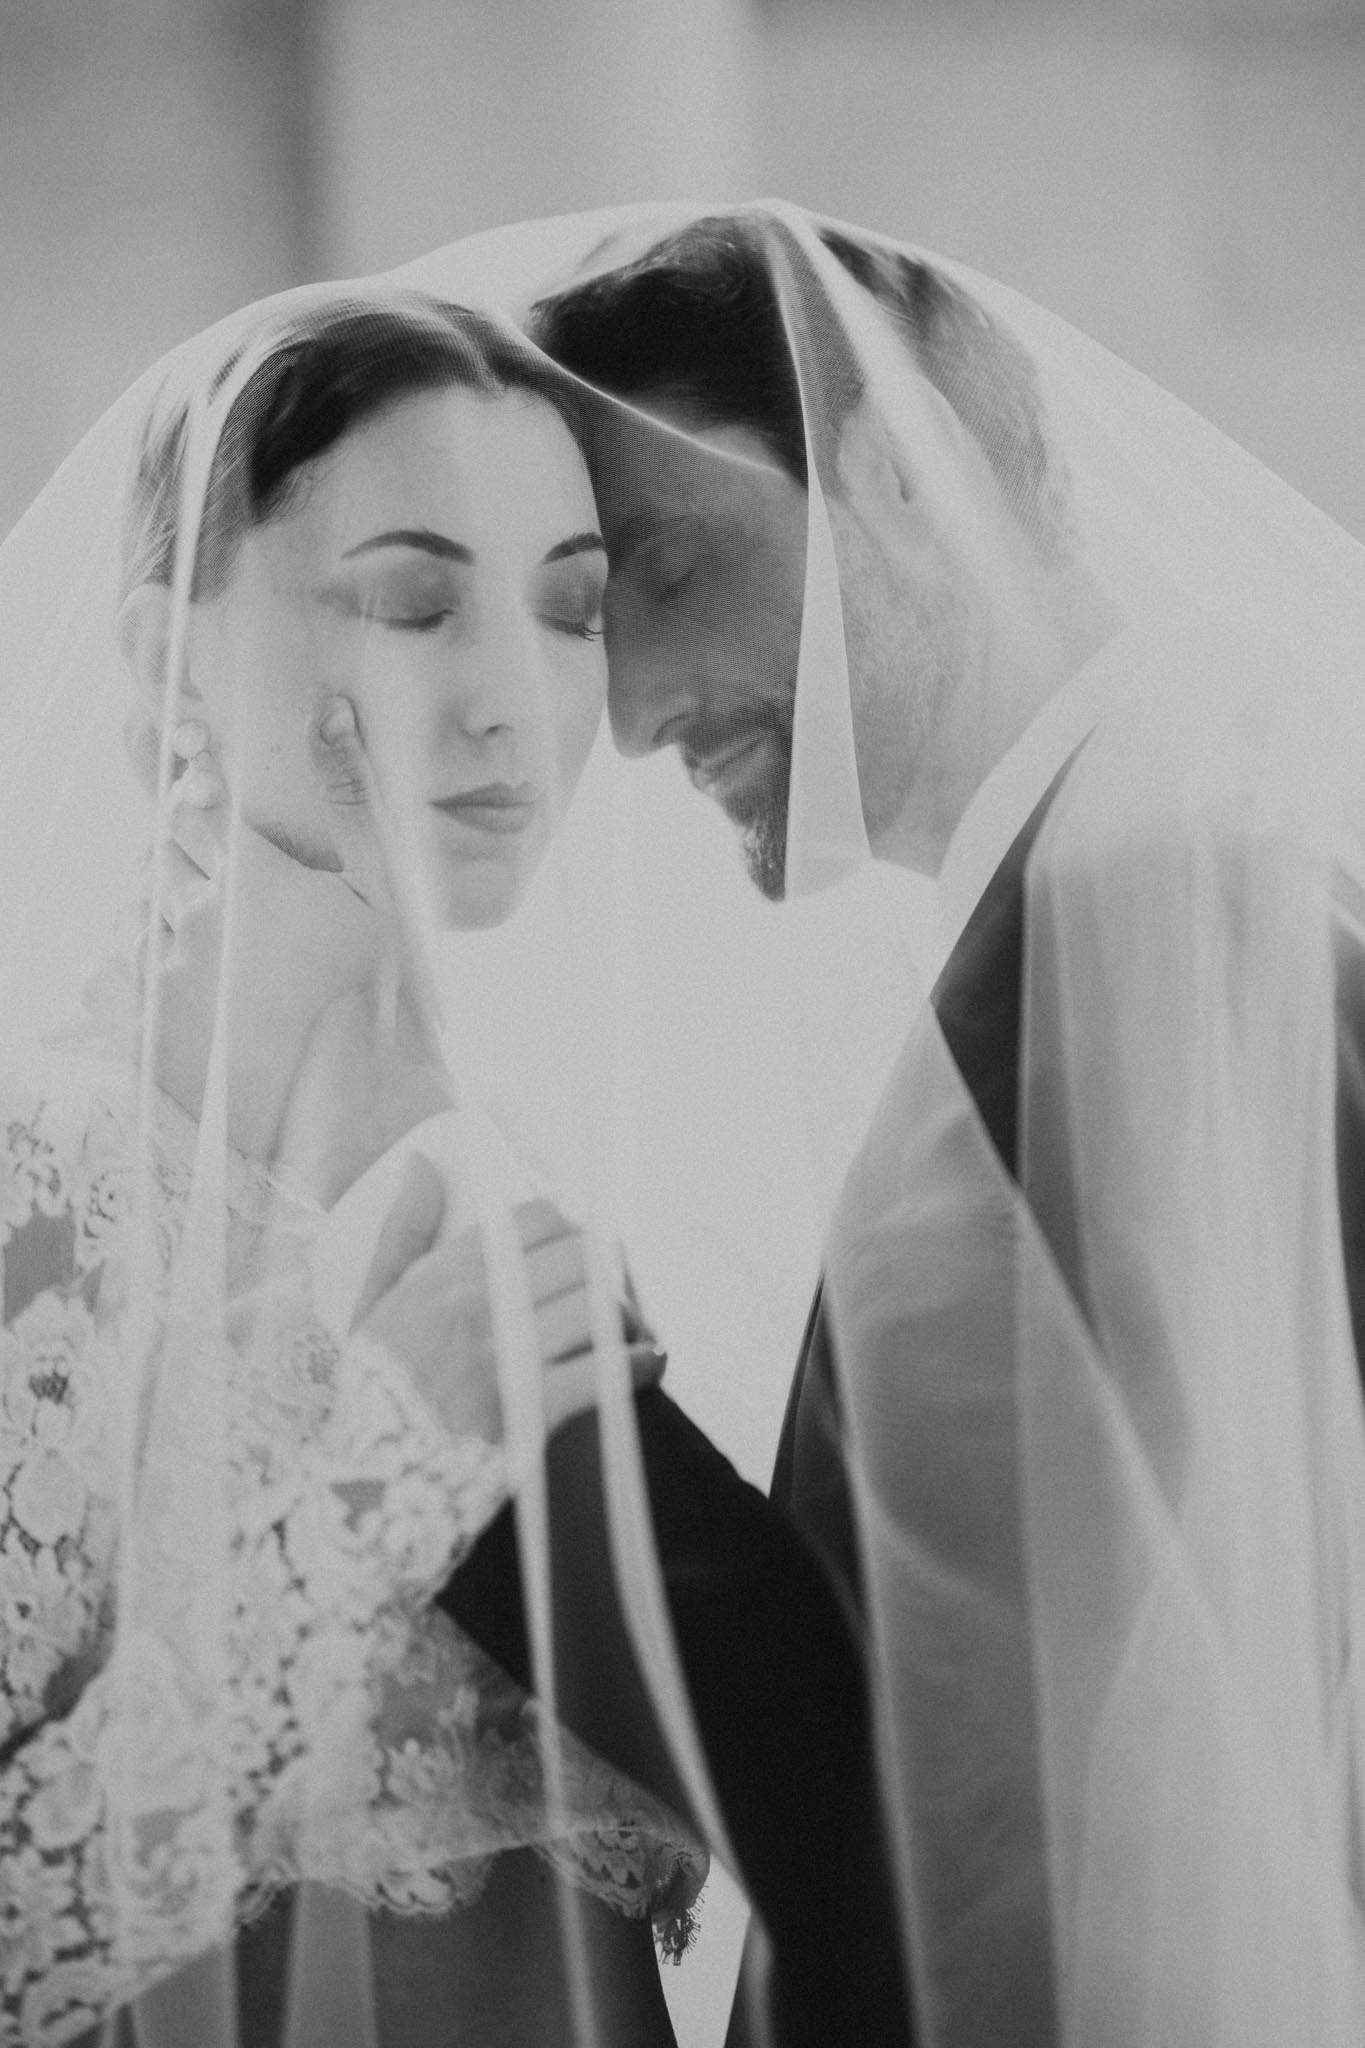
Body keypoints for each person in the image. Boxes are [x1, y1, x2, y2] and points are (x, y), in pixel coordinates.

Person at [428, 201, 1365, 2048]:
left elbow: (1000, 1825)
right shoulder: (1138, 887)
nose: (614, 718)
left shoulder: (1118, 945)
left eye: (664, 570)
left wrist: (545, 1436)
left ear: (890, 477)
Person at [0, 289, 705, 2048]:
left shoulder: (528, 1164)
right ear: (174, 659)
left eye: (569, 608)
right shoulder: (57, 1168)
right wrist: (399, 1465)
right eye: (408, 599)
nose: (513, 701)